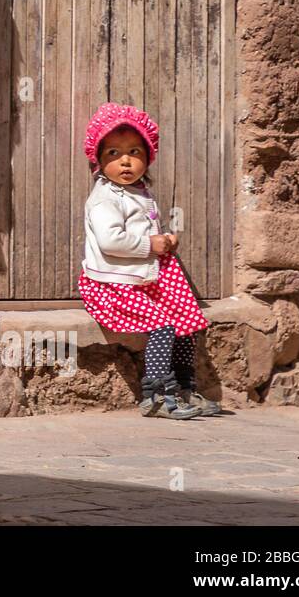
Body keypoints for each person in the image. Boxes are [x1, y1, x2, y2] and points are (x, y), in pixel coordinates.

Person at [77, 102, 218, 419]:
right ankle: (155, 396)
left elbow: (144, 230)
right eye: (113, 153)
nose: (124, 161)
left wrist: (165, 239)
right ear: (98, 159)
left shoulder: (139, 192)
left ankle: (184, 387)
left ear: (147, 157)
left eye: (134, 152)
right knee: (163, 324)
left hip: (142, 277)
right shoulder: (105, 197)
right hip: (113, 285)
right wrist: (150, 244)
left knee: (186, 322)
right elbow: (110, 241)